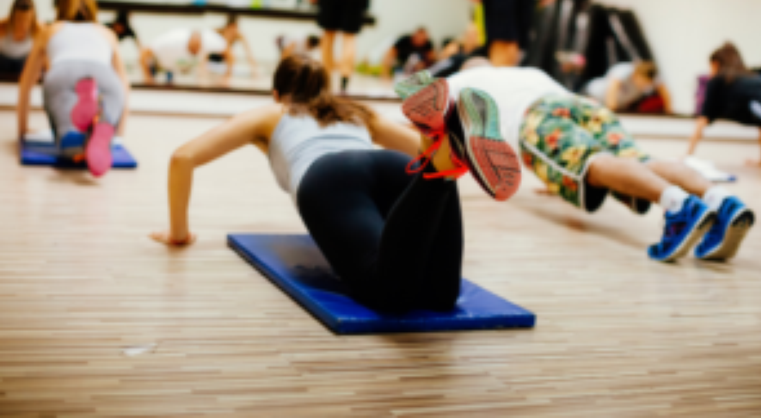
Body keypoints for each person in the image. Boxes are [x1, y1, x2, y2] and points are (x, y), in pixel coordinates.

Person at [150, 54, 519, 313]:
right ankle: (442, 153)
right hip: (396, 166)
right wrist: (426, 143)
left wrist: (178, 233)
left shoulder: (272, 112)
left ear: (277, 93)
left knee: (390, 296)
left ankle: (441, 160)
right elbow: (409, 147)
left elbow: (183, 157)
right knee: (441, 296)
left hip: (329, 176)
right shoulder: (355, 111)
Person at [397, 62, 756, 262]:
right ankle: (721, 200)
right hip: (581, 105)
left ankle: (677, 206)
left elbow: (412, 114)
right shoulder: (527, 71)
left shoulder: (462, 79)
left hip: (534, 119)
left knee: (592, 163)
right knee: (640, 159)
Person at [16, 0, 130, 177]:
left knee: (70, 144)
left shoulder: (51, 30)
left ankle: (77, 136)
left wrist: (22, 130)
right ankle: (103, 127)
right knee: (106, 128)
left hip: (63, 72)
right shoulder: (107, 33)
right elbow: (124, 85)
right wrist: (119, 135)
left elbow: (26, 83)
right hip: (104, 77)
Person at [688, 42, 761, 168]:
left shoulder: (717, 81)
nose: (710, 71)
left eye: (710, 67)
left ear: (716, 64)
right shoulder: (750, 77)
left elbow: (702, 120)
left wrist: (688, 155)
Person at [139, 28, 227, 86]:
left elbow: (230, 55)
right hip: (162, 69)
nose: (195, 52)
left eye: (197, 49)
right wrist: (148, 78)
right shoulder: (170, 41)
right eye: (192, 49)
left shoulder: (211, 42)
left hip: (185, 74)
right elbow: (144, 53)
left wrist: (226, 77)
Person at [584, 61, 673, 114]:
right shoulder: (624, 70)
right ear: (636, 74)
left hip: (616, 105)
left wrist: (668, 112)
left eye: (647, 84)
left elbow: (665, 94)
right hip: (593, 94)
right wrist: (612, 110)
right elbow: (612, 91)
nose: (644, 86)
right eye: (643, 82)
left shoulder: (653, 78)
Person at [0, 0, 42, 80]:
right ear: (12, 17)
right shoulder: (3, 26)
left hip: (23, 70)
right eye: (19, 19)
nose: (23, 24)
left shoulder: (38, 30)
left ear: (32, 19)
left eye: (26, 20)